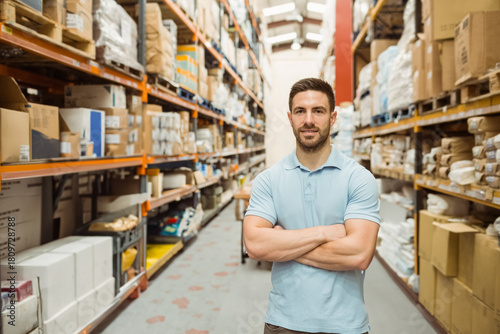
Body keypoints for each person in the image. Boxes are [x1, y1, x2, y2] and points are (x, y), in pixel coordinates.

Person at [243, 78, 380, 334]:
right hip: (283, 322)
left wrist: (282, 245)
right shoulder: (268, 180)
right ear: (290, 117)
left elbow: (359, 255)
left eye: (318, 111)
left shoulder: (358, 178)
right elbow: (254, 245)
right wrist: (324, 233)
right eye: (300, 111)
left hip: (346, 324)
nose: (308, 120)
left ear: (333, 117)